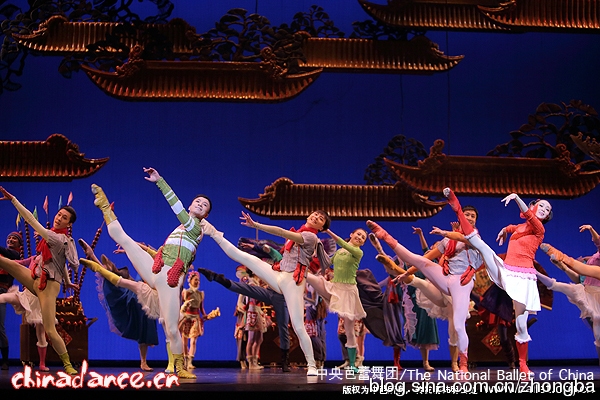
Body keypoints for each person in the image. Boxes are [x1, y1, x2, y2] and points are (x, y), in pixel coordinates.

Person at [89, 167, 211, 379]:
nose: (200, 204)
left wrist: (159, 181)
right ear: (191, 206)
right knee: (123, 238)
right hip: (157, 269)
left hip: (170, 280)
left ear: (205, 215)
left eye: (205, 205)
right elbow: (161, 253)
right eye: (197, 201)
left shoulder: (195, 228)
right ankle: (105, 206)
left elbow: (176, 207)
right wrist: (137, 249)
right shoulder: (179, 230)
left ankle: (179, 367)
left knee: (171, 328)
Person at [202, 210, 332, 376]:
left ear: (321, 228)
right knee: (246, 258)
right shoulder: (300, 232)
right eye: (315, 214)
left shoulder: (311, 237)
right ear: (309, 216)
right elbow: (279, 254)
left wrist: (256, 225)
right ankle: (214, 233)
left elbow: (281, 232)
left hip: (293, 282)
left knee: (299, 327)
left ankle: (312, 365)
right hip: (279, 275)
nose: (316, 217)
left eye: (320, 219)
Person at [442, 187, 552, 376]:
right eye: (541, 206)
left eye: (547, 210)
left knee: (521, 325)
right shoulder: (521, 227)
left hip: (523, 278)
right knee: (483, 247)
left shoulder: (539, 229)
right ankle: (457, 207)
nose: (544, 210)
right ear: (534, 205)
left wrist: (516, 197)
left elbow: (528, 215)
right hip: (507, 271)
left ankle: (523, 364)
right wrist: (504, 230)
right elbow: (513, 227)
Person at [366, 206, 483, 374]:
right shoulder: (447, 242)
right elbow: (426, 257)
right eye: (467, 215)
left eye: (472, 216)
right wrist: (407, 272)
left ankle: (462, 363)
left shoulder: (474, 236)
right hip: (446, 279)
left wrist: (446, 232)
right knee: (421, 263)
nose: (469, 218)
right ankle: (386, 237)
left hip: (461, 285)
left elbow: (462, 237)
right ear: (460, 217)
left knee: (457, 326)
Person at [0, 186, 79, 375]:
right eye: (59, 215)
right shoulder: (55, 236)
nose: (59, 218)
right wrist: (68, 280)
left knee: (50, 329)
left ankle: (67, 364)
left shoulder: (57, 238)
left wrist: (13, 200)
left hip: (48, 287)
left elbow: (31, 219)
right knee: (4, 262)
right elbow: (61, 263)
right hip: (35, 278)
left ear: (69, 224)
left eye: (64, 218)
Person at [198, 241, 293, 372]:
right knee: (244, 289)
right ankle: (217, 277)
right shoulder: (279, 259)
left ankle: (285, 360)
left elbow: (271, 252)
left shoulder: (293, 265)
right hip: (270, 293)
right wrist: (254, 247)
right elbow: (270, 251)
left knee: (283, 328)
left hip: (281, 296)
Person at [78, 239, 158, 372]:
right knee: (116, 281)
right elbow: (142, 251)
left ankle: (96, 259)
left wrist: (127, 248)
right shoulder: (148, 263)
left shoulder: (156, 261)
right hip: (140, 292)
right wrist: (128, 248)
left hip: (146, 296)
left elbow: (145, 251)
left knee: (117, 279)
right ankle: (95, 259)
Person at [305, 228, 368, 373]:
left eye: (363, 237)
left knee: (349, 330)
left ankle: (353, 363)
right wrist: (318, 249)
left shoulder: (358, 252)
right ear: (351, 234)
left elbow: (342, 243)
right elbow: (327, 263)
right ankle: (290, 273)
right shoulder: (340, 252)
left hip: (348, 292)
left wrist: (328, 231)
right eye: (358, 234)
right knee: (309, 277)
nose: (360, 237)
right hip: (334, 287)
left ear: (363, 243)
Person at [537, 224, 600, 365]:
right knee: (562, 287)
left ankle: (560, 258)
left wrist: (591, 230)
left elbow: (583, 269)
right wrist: (563, 267)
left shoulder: (595, 265)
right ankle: (534, 273)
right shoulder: (593, 258)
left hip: (596, 297)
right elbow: (579, 278)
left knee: (598, 334)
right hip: (587, 292)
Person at [179, 268, 207, 370]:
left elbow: (201, 307)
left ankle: (190, 361)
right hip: (186, 318)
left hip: (195, 318)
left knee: (194, 341)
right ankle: (185, 360)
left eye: (198, 280)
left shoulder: (200, 294)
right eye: (195, 280)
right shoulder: (186, 292)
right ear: (190, 281)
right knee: (184, 341)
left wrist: (205, 315)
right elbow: (181, 305)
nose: (197, 282)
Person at [0, 232, 20, 369]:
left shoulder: (15, 256)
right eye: (9, 238)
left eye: (14, 238)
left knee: (0, 327)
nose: (11, 239)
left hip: (1, 292)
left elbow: (9, 254)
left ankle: (5, 360)